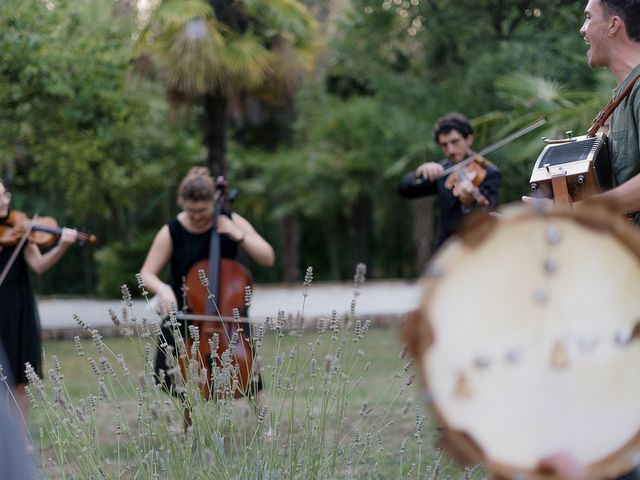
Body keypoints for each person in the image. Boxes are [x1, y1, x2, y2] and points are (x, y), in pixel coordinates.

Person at [139, 167, 275, 408]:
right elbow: (147, 273)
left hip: (228, 316)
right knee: (180, 374)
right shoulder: (172, 231)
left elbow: (268, 257)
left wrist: (237, 235)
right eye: (191, 210)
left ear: (214, 200)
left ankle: (266, 428)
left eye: (202, 210)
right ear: (181, 202)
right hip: (187, 311)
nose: (197, 216)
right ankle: (189, 430)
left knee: (250, 372)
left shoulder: (230, 221)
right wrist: (163, 289)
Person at [0, 180, 78, 420]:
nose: (4, 201)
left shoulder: (20, 228)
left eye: (5, 195)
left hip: (17, 308)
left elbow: (39, 265)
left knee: (19, 381)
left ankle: (21, 446)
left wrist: (62, 246)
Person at [397, 112, 502, 248]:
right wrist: (419, 172)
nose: (450, 150)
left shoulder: (489, 172)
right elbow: (404, 190)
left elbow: (488, 211)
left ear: (468, 139)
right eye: (444, 145)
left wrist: (469, 202)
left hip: (477, 246)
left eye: (455, 142)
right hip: (446, 246)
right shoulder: (442, 170)